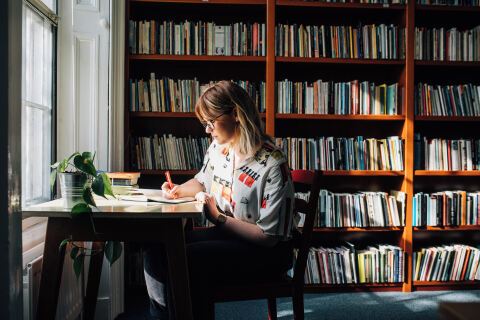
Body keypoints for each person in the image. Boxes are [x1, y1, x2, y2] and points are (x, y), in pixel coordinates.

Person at [143, 80, 296, 320]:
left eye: (210, 122)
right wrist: (177, 190)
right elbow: (202, 181)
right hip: (231, 235)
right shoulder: (219, 147)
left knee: (188, 260)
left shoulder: (273, 164)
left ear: (235, 114)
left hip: (268, 252)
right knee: (157, 249)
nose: (207, 130)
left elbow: (268, 238)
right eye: (204, 124)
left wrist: (219, 218)